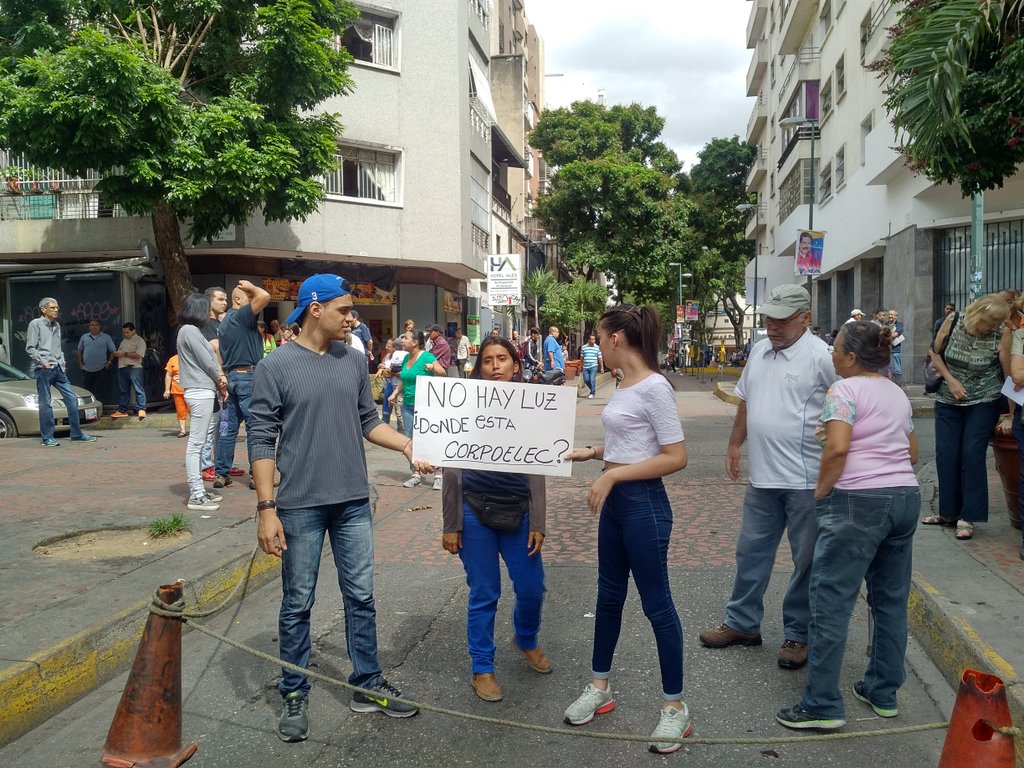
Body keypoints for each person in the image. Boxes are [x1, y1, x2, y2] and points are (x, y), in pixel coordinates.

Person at [248, 274, 431, 742]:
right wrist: (266, 508)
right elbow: (261, 438)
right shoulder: (277, 366)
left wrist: (408, 445)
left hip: (352, 501)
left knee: (361, 597)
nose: (353, 317)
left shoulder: (352, 361)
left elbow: (369, 421)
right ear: (315, 309)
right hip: (299, 506)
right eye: (344, 309)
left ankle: (367, 684)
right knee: (297, 604)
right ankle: (294, 690)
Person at [777, 321, 919, 731]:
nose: (831, 354)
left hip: (858, 500)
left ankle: (822, 704)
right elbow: (911, 451)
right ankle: (882, 690)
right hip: (904, 498)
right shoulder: (896, 392)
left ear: (852, 357)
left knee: (831, 602)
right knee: (890, 600)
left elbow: (838, 447)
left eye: (835, 348)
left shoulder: (844, 390)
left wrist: (821, 493)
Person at [561, 304, 690, 755]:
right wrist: (595, 453)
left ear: (617, 338)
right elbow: (632, 443)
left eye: (599, 336)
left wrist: (613, 475)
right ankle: (600, 687)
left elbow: (675, 456)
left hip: (644, 507)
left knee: (658, 607)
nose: (595, 344)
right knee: (608, 597)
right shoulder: (624, 384)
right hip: (617, 506)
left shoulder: (655, 386)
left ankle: (675, 708)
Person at [699, 284, 838, 671]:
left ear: (805, 318)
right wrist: (733, 444)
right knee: (751, 553)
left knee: (806, 561)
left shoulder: (821, 357)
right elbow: (747, 399)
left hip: (806, 481)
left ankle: (798, 633)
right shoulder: (760, 349)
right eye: (768, 319)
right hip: (763, 479)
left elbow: (847, 403)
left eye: (781, 319)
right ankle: (743, 623)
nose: (772, 326)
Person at [441, 336, 551, 702]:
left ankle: (526, 639)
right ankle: (482, 668)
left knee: (532, 587)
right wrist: (450, 523)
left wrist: (539, 521)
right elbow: (451, 467)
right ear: (479, 367)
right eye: (487, 360)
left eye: (502, 358)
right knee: (485, 592)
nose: (495, 366)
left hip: (519, 513)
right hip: (473, 512)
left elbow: (539, 467)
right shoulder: (463, 405)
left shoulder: (534, 405)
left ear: (516, 364)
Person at [922, 293, 1010, 540]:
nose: (992, 328)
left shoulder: (999, 333)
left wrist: (1010, 411)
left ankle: (968, 517)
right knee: (946, 453)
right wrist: (951, 381)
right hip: (949, 398)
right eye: (990, 323)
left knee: (971, 454)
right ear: (978, 315)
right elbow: (935, 353)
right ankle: (948, 513)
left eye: (996, 325)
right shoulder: (954, 320)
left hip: (984, 399)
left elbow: (1006, 371)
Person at [214, 279, 271, 490]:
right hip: (247, 377)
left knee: (227, 428)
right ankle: (256, 476)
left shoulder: (225, 322)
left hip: (230, 378)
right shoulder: (241, 314)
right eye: (249, 296)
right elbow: (264, 296)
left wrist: (222, 376)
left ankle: (221, 473)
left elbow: (220, 353)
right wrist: (251, 287)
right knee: (254, 427)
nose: (253, 301)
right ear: (238, 299)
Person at [176, 293, 229, 512]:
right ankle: (196, 494)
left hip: (200, 390)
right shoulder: (190, 331)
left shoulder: (189, 331)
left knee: (198, 443)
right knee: (196, 444)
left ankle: (199, 491)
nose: (209, 313)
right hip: (200, 390)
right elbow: (207, 361)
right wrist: (220, 380)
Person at [25, 297, 98, 446]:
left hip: (58, 368)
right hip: (44, 369)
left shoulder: (56, 325)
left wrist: (62, 364)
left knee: (71, 398)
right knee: (46, 403)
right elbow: (30, 347)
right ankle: (47, 438)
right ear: (43, 309)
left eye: (57, 307)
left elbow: (57, 347)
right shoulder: (35, 324)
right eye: (52, 308)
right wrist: (43, 362)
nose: (56, 310)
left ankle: (76, 434)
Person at [388, 328, 447, 489]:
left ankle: (438, 474)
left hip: (426, 406)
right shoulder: (407, 357)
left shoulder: (427, 356)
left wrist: (433, 368)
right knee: (410, 441)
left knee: (430, 439)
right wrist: (395, 393)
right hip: (407, 405)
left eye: (405, 338)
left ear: (415, 342)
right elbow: (404, 379)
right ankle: (415, 474)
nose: (402, 341)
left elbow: (443, 372)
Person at [200, 287, 229, 483]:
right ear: (209, 301)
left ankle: (221, 463)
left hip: (224, 380)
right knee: (210, 426)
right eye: (220, 299)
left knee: (223, 425)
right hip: (210, 383)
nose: (224, 302)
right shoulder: (205, 324)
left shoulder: (221, 323)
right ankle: (205, 465)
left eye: (225, 299)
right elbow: (216, 347)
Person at [110, 322, 147, 420]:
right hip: (122, 367)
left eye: (127, 332)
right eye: (124, 333)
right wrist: (118, 354)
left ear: (133, 331)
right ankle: (122, 410)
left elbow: (139, 355)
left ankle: (141, 408)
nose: (126, 334)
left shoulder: (139, 341)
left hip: (134, 367)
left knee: (138, 389)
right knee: (124, 390)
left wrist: (125, 353)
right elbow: (120, 352)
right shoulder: (123, 342)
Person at [76, 320, 116, 400]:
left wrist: (109, 362)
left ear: (100, 326)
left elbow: (113, 351)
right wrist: (80, 364)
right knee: (87, 391)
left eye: (96, 325)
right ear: (89, 327)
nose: (94, 327)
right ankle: (89, 409)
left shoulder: (106, 337)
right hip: (87, 369)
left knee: (101, 391)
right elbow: (79, 351)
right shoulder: (84, 337)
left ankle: (100, 409)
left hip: (101, 369)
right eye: (92, 325)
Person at [163, 354, 188, 438]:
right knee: (180, 411)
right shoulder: (173, 359)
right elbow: (168, 375)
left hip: (191, 390)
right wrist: (167, 390)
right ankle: (183, 430)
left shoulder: (191, 356)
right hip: (177, 390)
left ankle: (197, 430)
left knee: (194, 411)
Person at [580, 334, 602, 398]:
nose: (593, 341)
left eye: (594, 339)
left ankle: (592, 393)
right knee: (586, 380)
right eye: (592, 339)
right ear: (588, 340)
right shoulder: (584, 347)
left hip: (594, 366)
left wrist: (602, 368)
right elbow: (582, 357)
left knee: (592, 379)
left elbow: (600, 358)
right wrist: (581, 365)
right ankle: (593, 389)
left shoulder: (597, 348)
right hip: (585, 366)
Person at [888, 310, 905, 387]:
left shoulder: (899, 324)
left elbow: (897, 333)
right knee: (888, 370)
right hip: (887, 350)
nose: (890, 316)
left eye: (892, 314)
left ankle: (898, 385)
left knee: (897, 370)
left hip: (895, 350)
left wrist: (887, 336)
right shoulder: (885, 324)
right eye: (889, 314)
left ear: (895, 316)